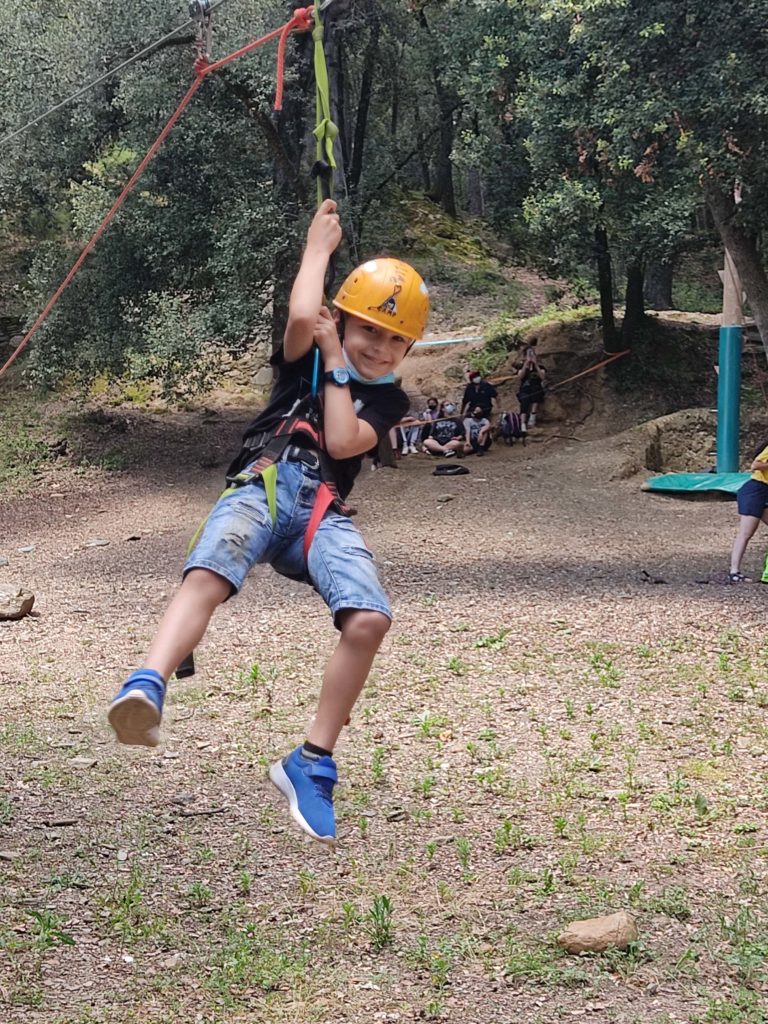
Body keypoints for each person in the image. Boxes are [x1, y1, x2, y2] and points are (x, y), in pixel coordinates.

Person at [107, 199, 430, 845]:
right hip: (266, 482)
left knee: (369, 617)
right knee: (211, 570)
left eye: (396, 339)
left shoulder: (389, 397)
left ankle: (311, 762)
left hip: (322, 512)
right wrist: (317, 249)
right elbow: (301, 316)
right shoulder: (302, 359)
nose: (380, 347)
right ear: (342, 318)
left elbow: (343, 441)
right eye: (368, 329)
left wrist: (338, 360)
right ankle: (148, 682)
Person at [729, 441, 768, 582]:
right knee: (746, 532)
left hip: (765, 492)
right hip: (755, 490)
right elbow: (755, 465)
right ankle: (734, 571)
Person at [517, 362, 546, 429]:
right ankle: (522, 423)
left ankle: (532, 418)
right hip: (525, 389)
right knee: (524, 399)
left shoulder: (541, 367)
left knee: (536, 392)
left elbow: (543, 377)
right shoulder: (522, 367)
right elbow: (520, 377)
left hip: (536, 388)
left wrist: (536, 365)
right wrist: (526, 364)